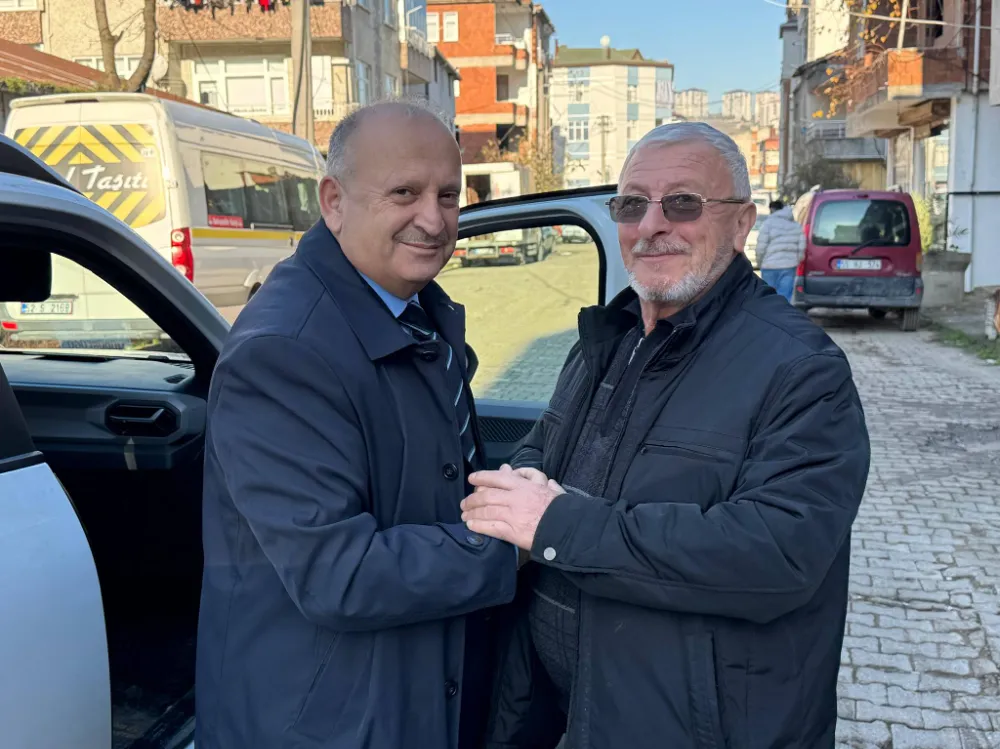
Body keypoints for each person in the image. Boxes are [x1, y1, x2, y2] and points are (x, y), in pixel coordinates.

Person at [461, 122, 871, 749]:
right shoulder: (609, 337)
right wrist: (516, 489)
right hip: (567, 708)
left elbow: (778, 553)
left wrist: (556, 525)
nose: (652, 224)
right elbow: (546, 443)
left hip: (693, 726)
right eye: (632, 205)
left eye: (683, 203)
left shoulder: (800, 368)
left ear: (742, 223)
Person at [196, 100, 520, 749]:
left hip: (400, 691)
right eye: (404, 193)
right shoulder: (285, 351)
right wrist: (514, 542)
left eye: (448, 195)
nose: (434, 219)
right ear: (334, 201)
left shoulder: (411, 309)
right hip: (325, 721)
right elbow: (339, 574)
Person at [755, 198, 806, 302]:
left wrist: (760, 262)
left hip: (769, 266)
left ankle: (769, 312)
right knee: (785, 297)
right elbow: (802, 246)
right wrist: (797, 260)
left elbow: (761, 247)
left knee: (768, 296)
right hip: (789, 266)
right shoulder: (795, 225)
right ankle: (783, 312)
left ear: (772, 209)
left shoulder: (768, 224)